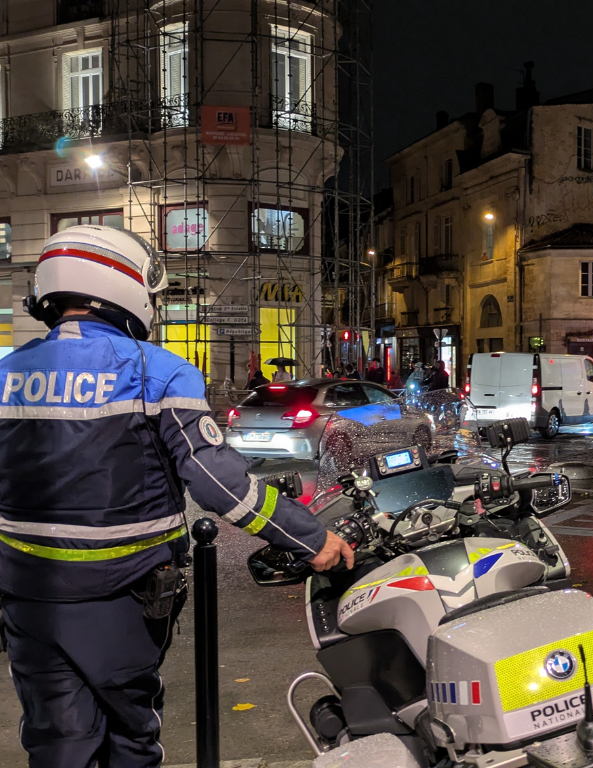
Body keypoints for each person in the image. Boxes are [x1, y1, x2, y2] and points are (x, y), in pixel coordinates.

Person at [0, 225, 354, 766]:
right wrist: (311, 536)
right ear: (125, 286)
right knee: (130, 738)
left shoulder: (6, 374)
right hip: (123, 597)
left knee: (57, 741)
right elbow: (218, 484)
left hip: (27, 598)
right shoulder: (158, 372)